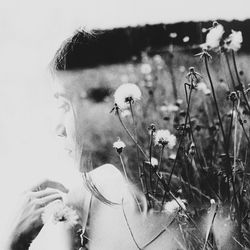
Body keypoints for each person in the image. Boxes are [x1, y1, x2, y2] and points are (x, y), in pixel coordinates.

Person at [4, 29, 178, 250]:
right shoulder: (84, 204)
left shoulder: (187, 217)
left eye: (65, 105)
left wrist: (13, 244)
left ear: (110, 105)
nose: (58, 128)